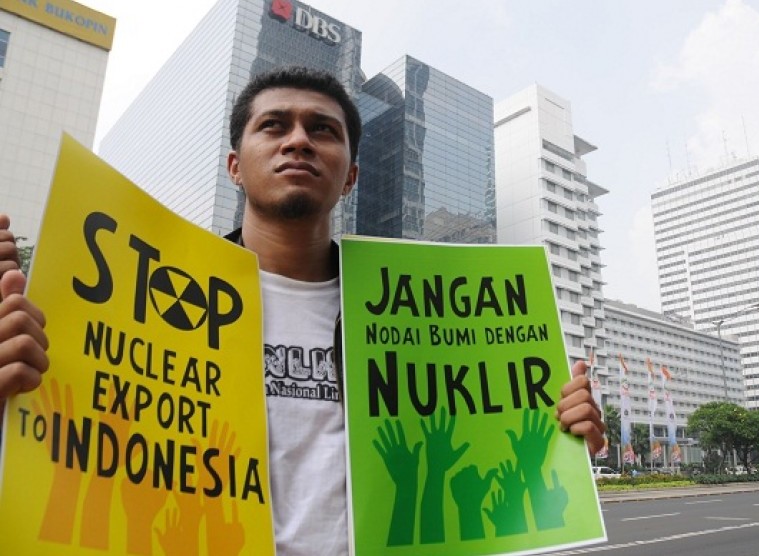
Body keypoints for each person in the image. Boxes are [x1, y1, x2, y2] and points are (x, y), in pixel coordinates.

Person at [0, 67, 604, 555]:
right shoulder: (142, 301)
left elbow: (489, 462)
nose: (298, 141)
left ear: (350, 177)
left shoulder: (423, 319)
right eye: (274, 126)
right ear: (235, 166)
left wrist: (563, 433)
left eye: (323, 130)